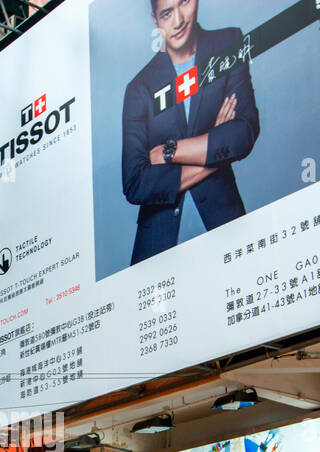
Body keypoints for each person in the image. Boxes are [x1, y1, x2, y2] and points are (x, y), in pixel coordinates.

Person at [121, 0, 260, 265]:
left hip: (225, 228)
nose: (178, 21)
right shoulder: (139, 88)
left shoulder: (228, 43)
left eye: (183, 3)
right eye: (166, 13)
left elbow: (244, 131)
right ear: (155, 21)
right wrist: (215, 147)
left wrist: (168, 152)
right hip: (158, 249)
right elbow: (135, 182)